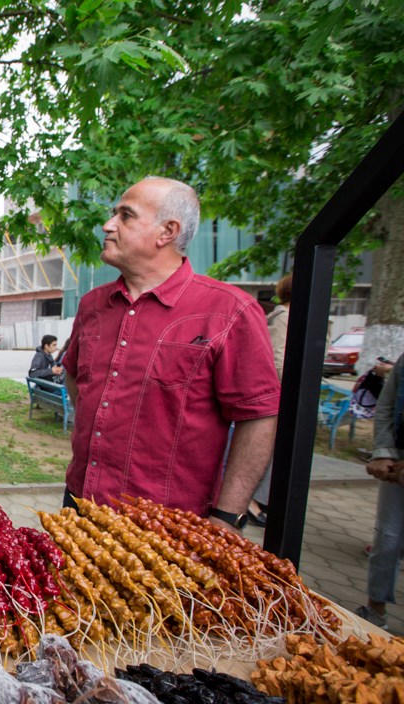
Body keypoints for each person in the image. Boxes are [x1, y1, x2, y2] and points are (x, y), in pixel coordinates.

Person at [60, 177, 279, 529]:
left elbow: (258, 416)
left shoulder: (229, 311)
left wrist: (227, 516)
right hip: (80, 505)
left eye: (126, 215)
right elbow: (74, 375)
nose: (108, 225)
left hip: (169, 523)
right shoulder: (92, 305)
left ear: (167, 232)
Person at [355, 350, 404, 631]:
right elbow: (387, 403)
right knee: (387, 538)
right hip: (396, 460)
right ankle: (376, 609)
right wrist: (383, 451)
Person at [248, 273, 294, 527]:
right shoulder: (283, 319)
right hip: (277, 397)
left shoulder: (285, 317)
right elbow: (276, 360)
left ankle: (258, 499)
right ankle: (252, 501)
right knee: (265, 448)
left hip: (278, 398)